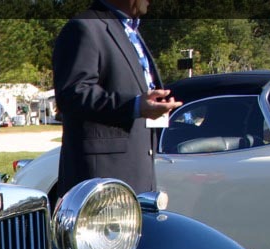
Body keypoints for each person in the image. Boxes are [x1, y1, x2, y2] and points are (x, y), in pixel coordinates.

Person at [52, 0, 181, 196]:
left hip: (137, 173)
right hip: (102, 178)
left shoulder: (130, 31)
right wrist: (135, 105)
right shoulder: (84, 27)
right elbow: (72, 94)